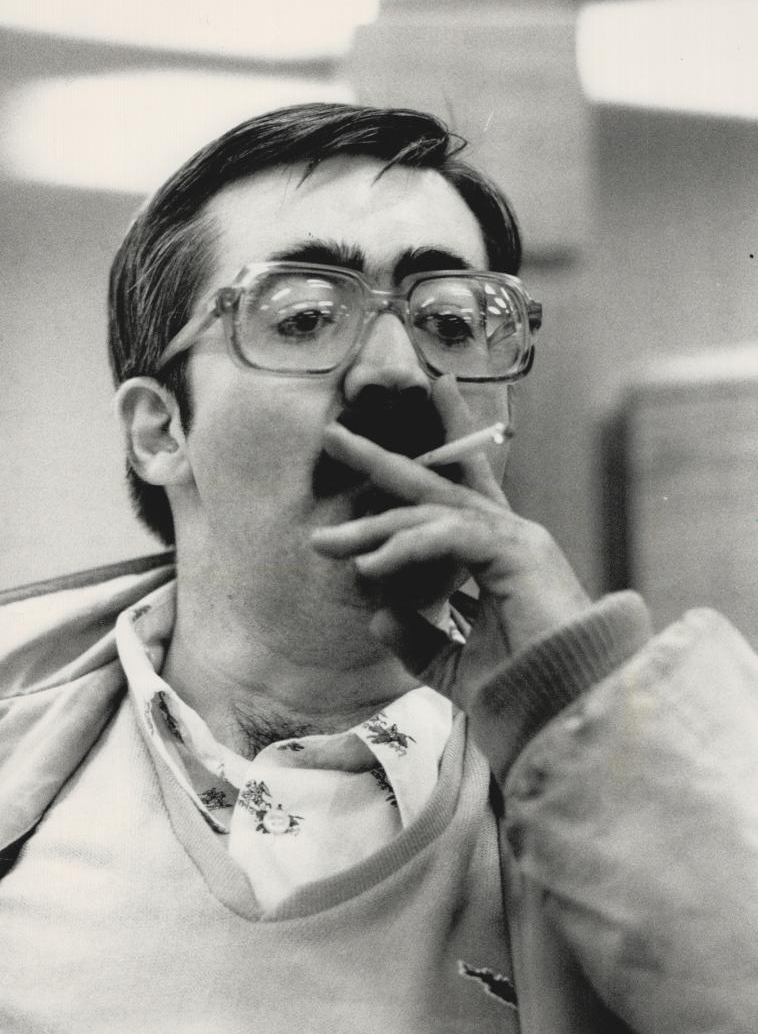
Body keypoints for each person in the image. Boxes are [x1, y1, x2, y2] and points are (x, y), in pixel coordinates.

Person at [1, 102, 757, 1034]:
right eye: (306, 316)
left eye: (452, 320)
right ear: (161, 431)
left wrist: (580, 708)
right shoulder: (27, 778)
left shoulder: (630, 771)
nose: (397, 373)